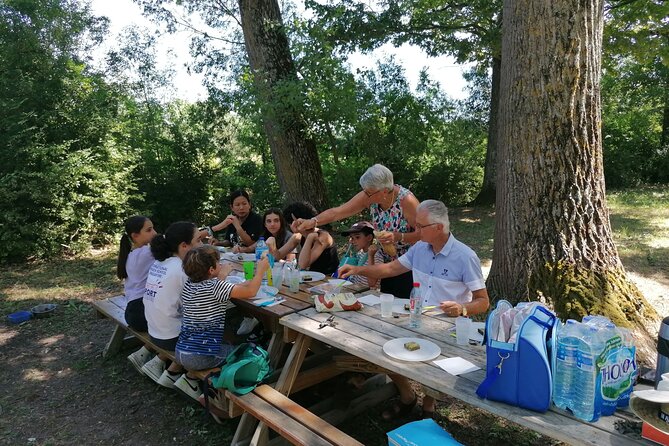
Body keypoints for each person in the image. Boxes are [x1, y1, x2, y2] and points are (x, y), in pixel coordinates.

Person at [339, 200, 490, 419]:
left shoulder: (465, 257)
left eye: (420, 226)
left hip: (447, 327)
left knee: (436, 368)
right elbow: (391, 268)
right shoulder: (420, 248)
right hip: (416, 317)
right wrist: (359, 268)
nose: (415, 231)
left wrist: (462, 308)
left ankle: (428, 406)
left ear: (438, 227)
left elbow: (483, 301)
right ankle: (407, 396)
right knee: (381, 347)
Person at [295, 164, 419, 298]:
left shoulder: (407, 201)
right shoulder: (371, 194)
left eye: (369, 193)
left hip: (409, 266)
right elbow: (338, 212)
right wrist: (313, 221)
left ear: (384, 191)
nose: (365, 195)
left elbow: (424, 235)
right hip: (386, 264)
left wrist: (399, 236)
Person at [173, 245, 270, 400]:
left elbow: (225, 288)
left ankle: (190, 379)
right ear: (211, 270)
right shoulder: (215, 286)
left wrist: (224, 275)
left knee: (230, 344)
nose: (221, 265)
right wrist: (260, 271)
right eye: (218, 263)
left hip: (182, 351)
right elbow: (251, 291)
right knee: (248, 352)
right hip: (201, 356)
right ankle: (213, 394)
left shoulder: (189, 285)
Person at [140, 221, 203, 388]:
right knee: (219, 324)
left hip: (154, 331)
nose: (202, 245)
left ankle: (172, 371)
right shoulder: (183, 269)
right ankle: (191, 379)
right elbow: (202, 302)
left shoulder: (160, 262)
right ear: (184, 246)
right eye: (198, 240)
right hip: (171, 338)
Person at [116, 215, 157, 373]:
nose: (154, 232)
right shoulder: (147, 253)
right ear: (135, 236)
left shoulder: (131, 254)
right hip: (142, 312)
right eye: (149, 230)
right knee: (175, 321)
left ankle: (144, 352)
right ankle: (149, 355)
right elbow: (173, 244)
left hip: (132, 311)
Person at [283, 202, 339, 275]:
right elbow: (278, 254)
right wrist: (271, 247)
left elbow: (303, 264)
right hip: (313, 278)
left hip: (329, 279)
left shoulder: (323, 236)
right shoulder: (298, 236)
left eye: (290, 223)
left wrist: (309, 238)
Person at [339, 221, 379, 288]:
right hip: (355, 289)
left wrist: (371, 256)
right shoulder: (360, 252)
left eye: (357, 237)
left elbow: (372, 284)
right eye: (351, 238)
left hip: (367, 294)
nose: (352, 241)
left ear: (369, 237)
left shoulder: (376, 256)